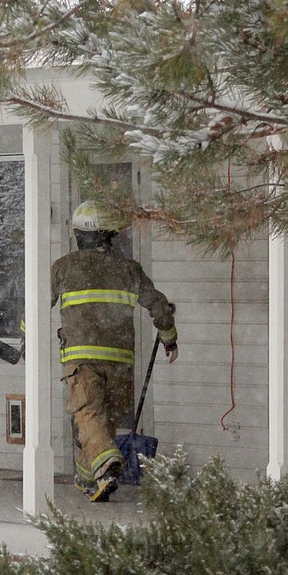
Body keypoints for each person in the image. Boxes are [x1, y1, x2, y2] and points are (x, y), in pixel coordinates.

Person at [51, 200, 178, 503]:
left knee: (87, 414)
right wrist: (169, 337)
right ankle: (90, 481)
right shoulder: (129, 269)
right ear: (110, 235)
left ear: (79, 236)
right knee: (100, 422)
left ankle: (107, 466)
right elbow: (158, 305)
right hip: (120, 359)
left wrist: (25, 338)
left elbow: (37, 301)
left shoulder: (64, 266)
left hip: (81, 358)